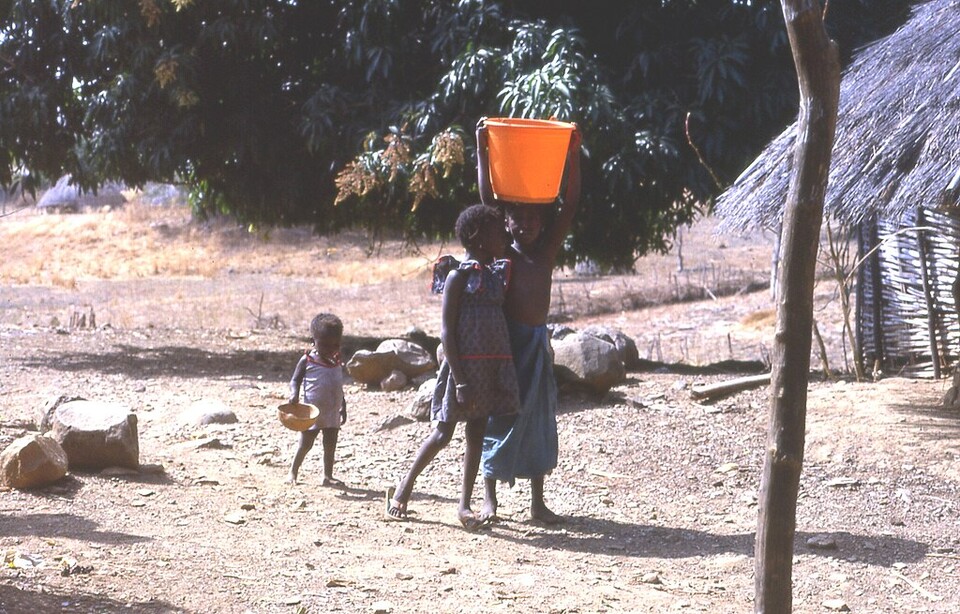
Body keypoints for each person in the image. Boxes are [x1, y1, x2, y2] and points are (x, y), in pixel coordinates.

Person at [386, 204, 521, 530]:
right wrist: (459, 380)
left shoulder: (495, 274)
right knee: (443, 432)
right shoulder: (458, 276)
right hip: (464, 371)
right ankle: (405, 485)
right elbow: (446, 331)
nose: (504, 233)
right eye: (496, 229)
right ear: (477, 237)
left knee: (476, 433)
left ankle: (464, 506)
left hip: (490, 368)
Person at [476, 119, 582, 524]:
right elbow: (487, 198)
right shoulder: (503, 254)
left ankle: (537, 502)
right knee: (498, 415)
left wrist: (572, 153)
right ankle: (490, 499)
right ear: (505, 224)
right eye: (518, 220)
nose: (527, 226)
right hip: (506, 346)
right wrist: (482, 146)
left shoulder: (546, 252)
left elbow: (569, 204)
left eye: (534, 220)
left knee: (538, 417)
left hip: (536, 345)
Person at [287, 313, 348, 486]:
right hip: (312, 412)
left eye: (335, 345)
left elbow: (338, 385)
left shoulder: (337, 360)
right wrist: (294, 394)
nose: (331, 349)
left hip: (332, 411)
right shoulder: (308, 360)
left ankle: (327, 476)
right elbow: (295, 380)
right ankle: (293, 471)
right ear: (313, 341)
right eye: (325, 345)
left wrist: (343, 405)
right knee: (306, 443)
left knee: (330, 445)